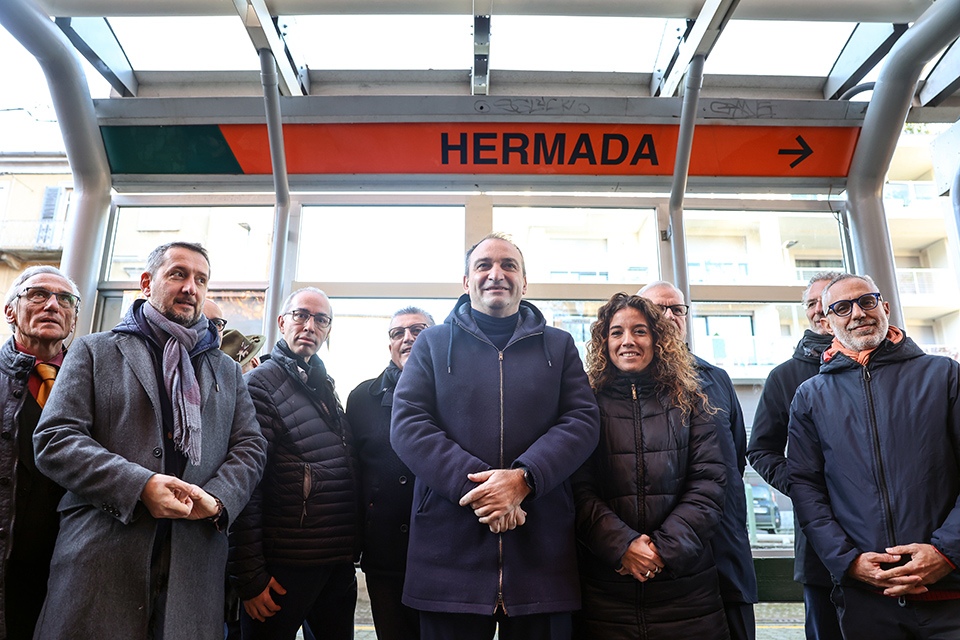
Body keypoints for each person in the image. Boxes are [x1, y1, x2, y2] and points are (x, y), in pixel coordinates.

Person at [31, 241, 267, 639]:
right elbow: (55, 438)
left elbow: (251, 447)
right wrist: (140, 486)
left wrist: (218, 499)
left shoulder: (226, 369)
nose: (191, 287)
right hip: (101, 563)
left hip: (193, 569)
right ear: (146, 283)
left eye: (201, 279)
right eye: (178, 274)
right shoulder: (95, 350)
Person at [391, 233, 600, 640]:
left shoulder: (559, 345)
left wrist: (524, 479)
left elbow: (582, 420)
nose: (496, 274)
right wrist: (486, 491)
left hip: (541, 556)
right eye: (483, 265)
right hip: (449, 558)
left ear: (525, 281)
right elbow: (408, 424)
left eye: (509, 265)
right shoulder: (432, 343)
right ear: (466, 281)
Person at [788, 273, 960, 638]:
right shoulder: (810, 396)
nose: (858, 313)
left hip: (949, 592)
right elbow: (806, 488)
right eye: (842, 307)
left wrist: (947, 552)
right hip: (865, 599)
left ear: (885, 307)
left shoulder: (943, 375)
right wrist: (848, 561)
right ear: (827, 322)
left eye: (866, 301)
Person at [573, 292, 728, 639]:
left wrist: (661, 551)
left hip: (686, 590)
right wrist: (622, 547)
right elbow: (577, 489)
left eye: (639, 331)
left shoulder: (690, 400)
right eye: (616, 332)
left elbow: (709, 484)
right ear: (604, 342)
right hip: (605, 590)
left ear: (658, 339)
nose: (627, 341)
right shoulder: (585, 404)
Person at [229, 287, 360, 640]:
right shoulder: (260, 384)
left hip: (334, 563)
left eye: (321, 320)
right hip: (284, 567)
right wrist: (250, 577)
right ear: (282, 322)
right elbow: (246, 485)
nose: (310, 326)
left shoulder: (321, 383)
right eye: (301, 315)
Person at [638, 281, 758, 639]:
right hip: (660, 555)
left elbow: (734, 459)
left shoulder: (716, 379)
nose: (670, 316)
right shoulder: (620, 386)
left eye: (677, 309)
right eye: (658, 309)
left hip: (723, 550)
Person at [746, 271, 843, 640]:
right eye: (811, 303)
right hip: (820, 540)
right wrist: (807, 489)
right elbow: (760, 450)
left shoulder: (887, 370)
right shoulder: (785, 376)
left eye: (826, 299)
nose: (819, 309)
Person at [347, 306, 435, 640]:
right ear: (390, 345)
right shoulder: (362, 398)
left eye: (418, 330)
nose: (407, 338)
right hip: (384, 554)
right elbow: (353, 473)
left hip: (442, 553)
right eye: (398, 333)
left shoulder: (455, 391)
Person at [0, 266, 78, 640]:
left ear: (73, 319)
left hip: (68, 568)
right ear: (10, 311)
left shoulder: (98, 384)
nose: (52, 305)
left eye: (65, 299)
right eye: (38, 295)